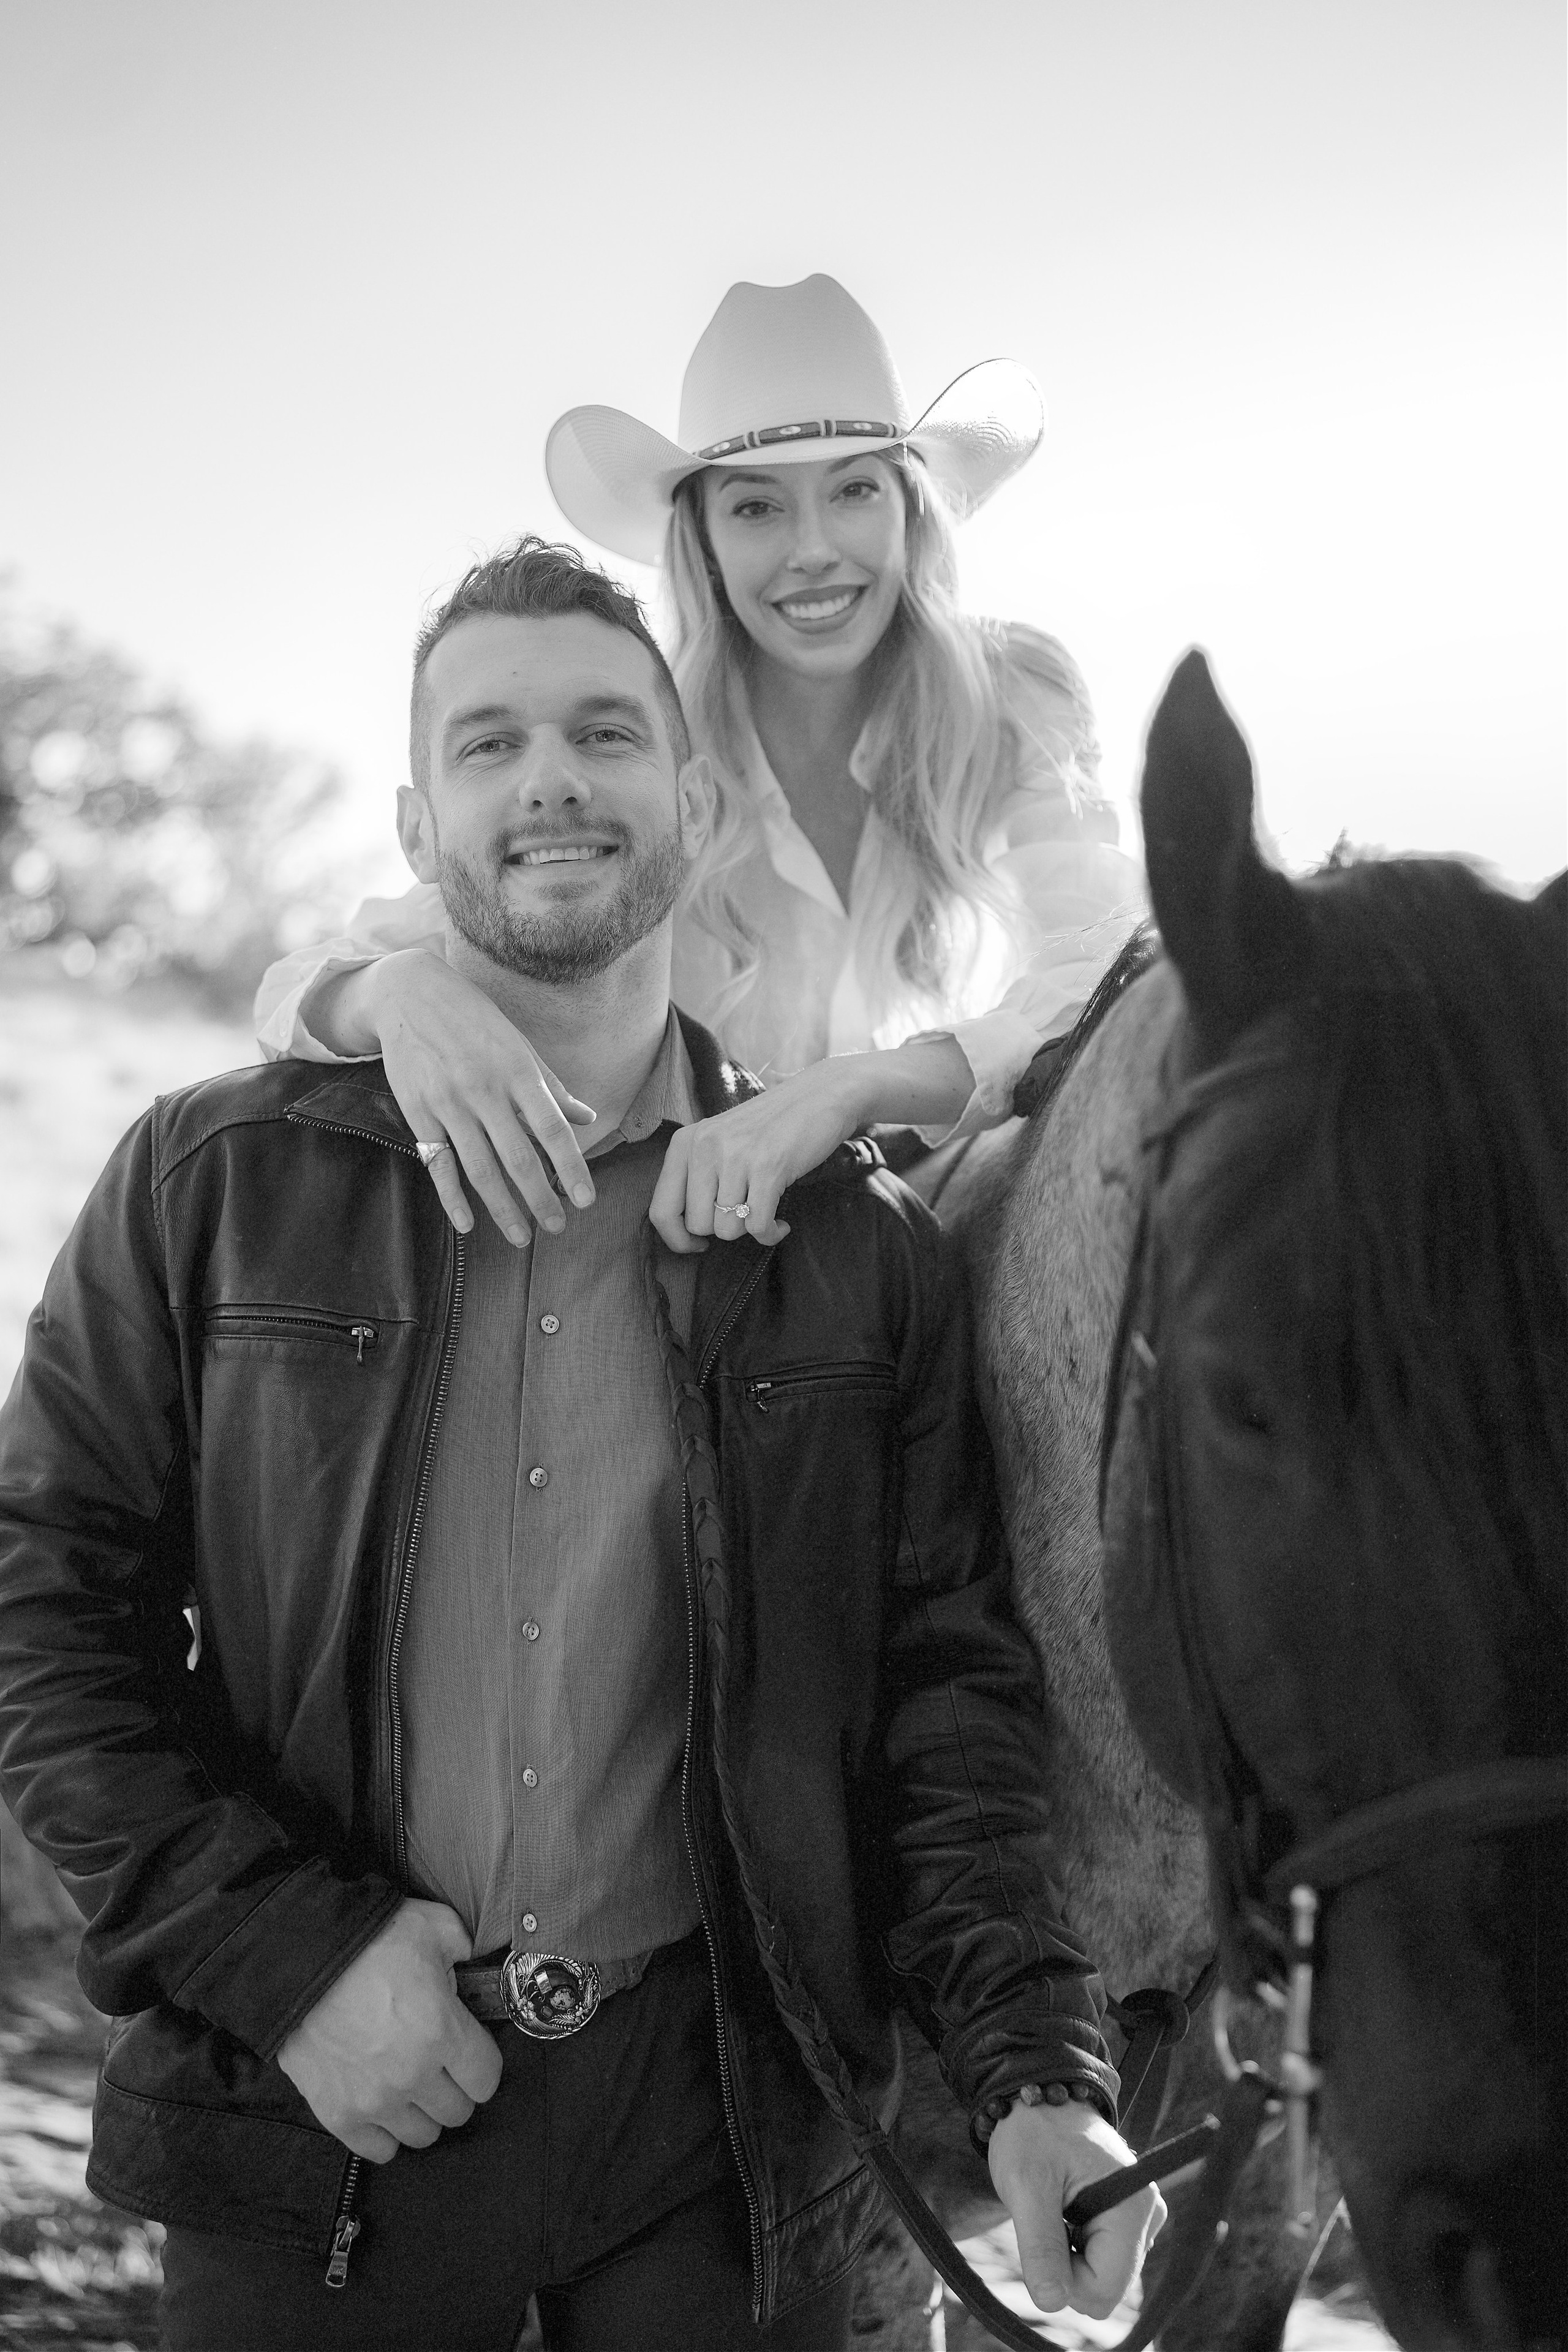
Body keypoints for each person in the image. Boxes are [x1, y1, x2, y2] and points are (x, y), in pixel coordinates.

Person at [0, 541, 1162, 2352]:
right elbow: (42, 1612)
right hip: (316, 2114)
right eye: (491, 744)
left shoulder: (858, 1258)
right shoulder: (210, 1182)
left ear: (693, 804)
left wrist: (1036, 2079)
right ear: (413, 819)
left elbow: (947, 1702)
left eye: (608, 735)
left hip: (723, 2154)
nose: (550, 781)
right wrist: (282, 1963)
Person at [254, 273, 1143, 1258]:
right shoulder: (644, 743)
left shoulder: (1009, 691)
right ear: (705, 545)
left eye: (852, 490)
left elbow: (1113, 955)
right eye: (758, 508)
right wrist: (395, 992)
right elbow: (298, 990)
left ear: (909, 508)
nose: (812, 552)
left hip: (930, 1193)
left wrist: (855, 1086)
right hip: (693, 1227)